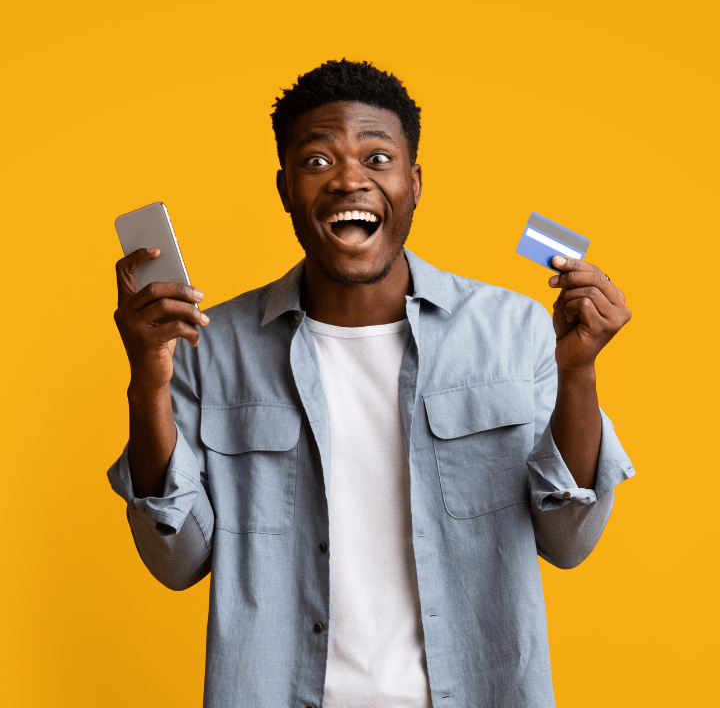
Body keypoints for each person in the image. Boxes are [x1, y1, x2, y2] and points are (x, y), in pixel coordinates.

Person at [109, 59, 634, 708]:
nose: (350, 178)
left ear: (415, 183)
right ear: (284, 188)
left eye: (378, 158)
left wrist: (578, 371)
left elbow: (570, 541)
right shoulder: (210, 345)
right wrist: (147, 384)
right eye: (318, 161)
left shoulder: (514, 330)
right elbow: (176, 561)